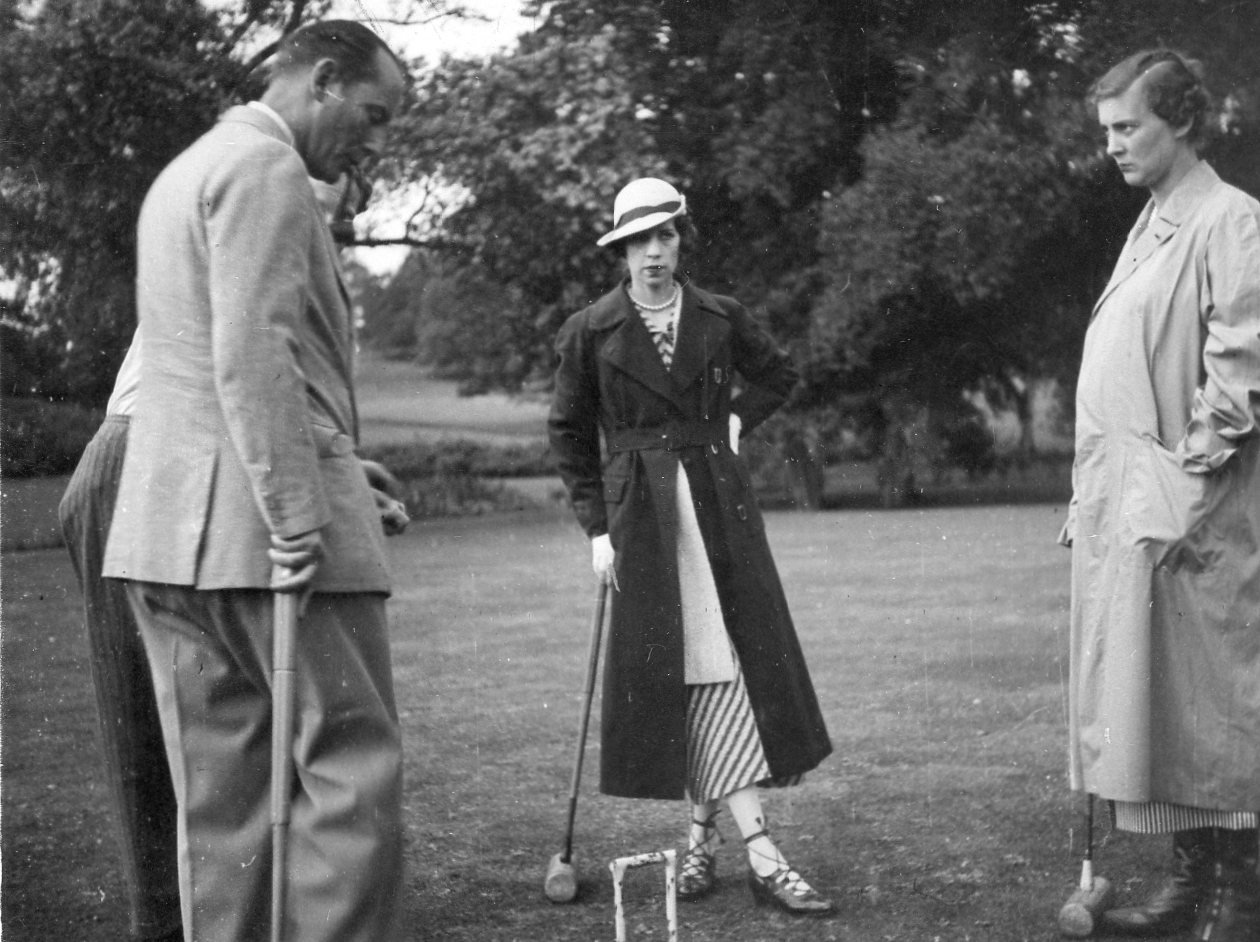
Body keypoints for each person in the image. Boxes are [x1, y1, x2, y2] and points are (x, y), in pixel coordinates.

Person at [102, 20, 409, 942]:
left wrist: (341, 469)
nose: (377, 138)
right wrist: (298, 514)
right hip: (264, 545)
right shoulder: (269, 168)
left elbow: (203, 371)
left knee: (222, 811)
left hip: (165, 542)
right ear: (321, 79)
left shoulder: (183, 173)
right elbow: (253, 354)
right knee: (349, 775)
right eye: (373, 113)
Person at [548, 177, 835, 916]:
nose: (653, 252)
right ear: (620, 250)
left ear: (682, 241)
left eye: (664, 236)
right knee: (696, 667)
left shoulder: (720, 315)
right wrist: (597, 527)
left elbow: (780, 374)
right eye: (637, 240)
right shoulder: (590, 329)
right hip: (643, 518)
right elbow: (569, 433)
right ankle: (756, 854)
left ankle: (720, 842)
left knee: (720, 663)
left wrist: (737, 417)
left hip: (718, 507)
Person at [1062, 49, 1260, 942]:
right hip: (1133, 507)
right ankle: (1191, 882)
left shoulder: (1233, 221)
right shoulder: (1149, 222)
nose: (1112, 146)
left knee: (1215, 705)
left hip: (1198, 510)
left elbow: (1241, 367)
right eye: (1106, 131)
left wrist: (1183, 480)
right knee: (1165, 705)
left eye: (1127, 127)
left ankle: (1237, 896)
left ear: (1179, 120)